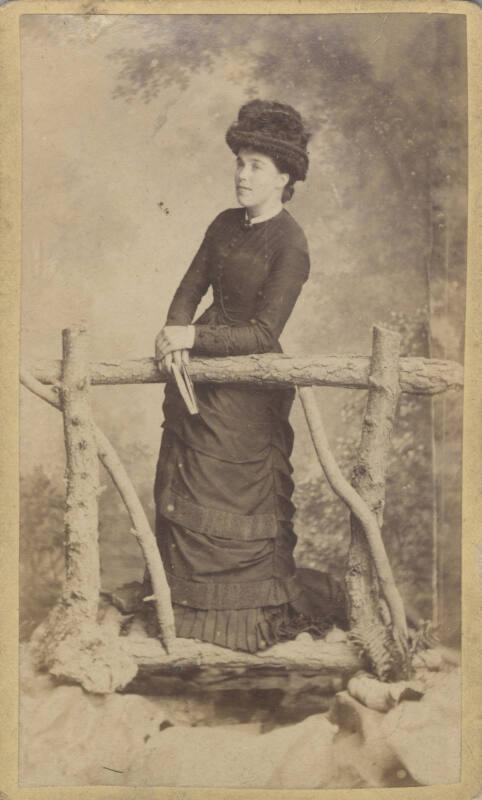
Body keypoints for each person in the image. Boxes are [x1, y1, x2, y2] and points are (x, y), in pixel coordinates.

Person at [153, 99, 346, 653]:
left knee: (235, 507)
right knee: (186, 493)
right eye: (240, 162)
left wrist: (192, 339)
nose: (242, 174)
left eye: (256, 165)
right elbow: (189, 289)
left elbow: (263, 333)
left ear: (284, 177)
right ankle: (183, 615)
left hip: (248, 392)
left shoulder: (291, 244)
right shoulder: (223, 224)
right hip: (198, 380)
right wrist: (173, 331)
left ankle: (241, 622)